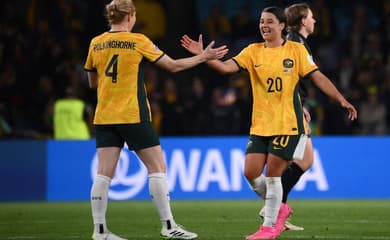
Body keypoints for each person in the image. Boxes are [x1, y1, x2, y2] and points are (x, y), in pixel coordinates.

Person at [181, 6, 357, 240]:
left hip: (287, 122)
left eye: (270, 22)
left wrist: (341, 100)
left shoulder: (295, 50)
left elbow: (318, 77)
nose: (264, 26)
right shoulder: (253, 51)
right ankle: (279, 208)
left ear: (282, 25)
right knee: (250, 171)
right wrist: (203, 57)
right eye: (262, 21)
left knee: (274, 174)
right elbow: (225, 68)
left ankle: (269, 227)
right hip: (261, 124)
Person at [83, 0, 228, 239]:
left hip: (104, 116)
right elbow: (172, 66)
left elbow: (92, 82)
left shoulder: (96, 43)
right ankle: (169, 226)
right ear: (130, 16)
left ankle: (100, 231)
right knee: (157, 168)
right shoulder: (138, 41)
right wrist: (203, 57)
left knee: (103, 173)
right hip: (132, 114)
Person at [258, 2, 321, 231]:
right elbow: (286, 77)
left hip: (293, 107)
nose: (315, 21)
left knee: (302, 160)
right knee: (301, 160)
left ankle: (274, 207)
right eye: (312, 17)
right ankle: (272, 208)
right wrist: (298, 104)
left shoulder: (299, 41)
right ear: (303, 20)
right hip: (287, 111)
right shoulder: (294, 42)